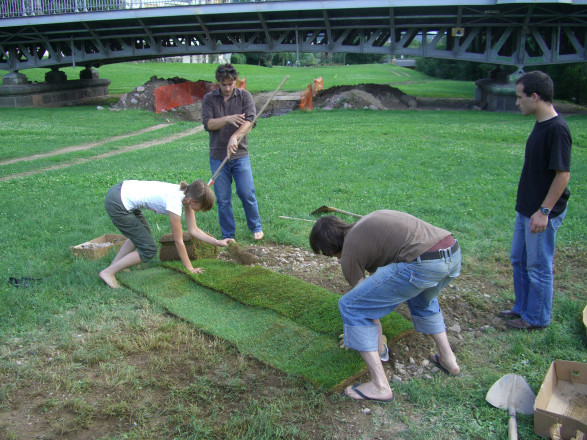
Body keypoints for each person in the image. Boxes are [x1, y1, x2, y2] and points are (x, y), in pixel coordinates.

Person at [309, 211, 462, 403]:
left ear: (329, 248)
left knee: (352, 306)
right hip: (452, 254)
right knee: (422, 300)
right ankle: (448, 360)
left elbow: (366, 305)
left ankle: (380, 386)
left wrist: (377, 344)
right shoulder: (364, 227)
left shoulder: (349, 252)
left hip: (423, 263)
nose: (334, 259)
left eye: (329, 255)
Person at [499, 71, 572, 330]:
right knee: (518, 259)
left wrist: (544, 211)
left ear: (535, 96)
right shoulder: (541, 125)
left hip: (541, 212)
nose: (517, 103)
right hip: (526, 209)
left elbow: (562, 175)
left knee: (538, 266)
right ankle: (522, 308)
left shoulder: (557, 130)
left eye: (520, 97)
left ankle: (537, 319)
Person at [99, 179, 233, 288]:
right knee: (148, 249)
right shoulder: (175, 201)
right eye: (202, 208)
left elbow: (193, 230)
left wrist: (217, 242)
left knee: (141, 236)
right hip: (118, 202)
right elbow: (178, 241)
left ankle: (113, 267)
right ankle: (108, 273)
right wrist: (190, 268)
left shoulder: (186, 195)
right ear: (194, 202)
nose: (200, 211)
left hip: (121, 192)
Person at [202, 64, 264, 241]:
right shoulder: (209, 99)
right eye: (224, 85)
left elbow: (250, 122)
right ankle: (228, 234)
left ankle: (255, 226)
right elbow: (209, 124)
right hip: (217, 156)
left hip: (240, 155)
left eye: (231, 84)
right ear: (218, 83)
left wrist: (235, 137)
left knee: (247, 193)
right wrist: (228, 119)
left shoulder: (245, 96)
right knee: (223, 199)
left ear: (235, 81)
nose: (228, 88)